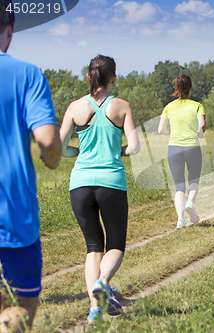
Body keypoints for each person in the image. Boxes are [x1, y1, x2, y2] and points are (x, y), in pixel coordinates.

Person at [59, 55, 140, 323]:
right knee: (115, 244)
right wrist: (118, 151)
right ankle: (103, 282)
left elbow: (60, 147)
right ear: (113, 78)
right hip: (111, 182)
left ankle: (94, 310)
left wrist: (79, 151)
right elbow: (135, 147)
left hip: (80, 184)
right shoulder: (122, 106)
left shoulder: (74, 107)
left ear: (87, 77)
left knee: (93, 246)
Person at [0, 1, 62, 331]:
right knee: (18, 308)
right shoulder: (27, 74)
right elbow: (49, 142)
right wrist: (50, 160)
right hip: (12, 218)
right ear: (10, 28)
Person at [158, 74, 206, 229]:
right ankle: (190, 203)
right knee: (194, 180)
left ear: (176, 89)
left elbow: (160, 130)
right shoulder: (197, 105)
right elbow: (202, 124)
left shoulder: (169, 107)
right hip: (192, 146)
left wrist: (171, 134)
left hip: (174, 148)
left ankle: (180, 220)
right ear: (191, 88)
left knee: (179, 185)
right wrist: (199, 133)